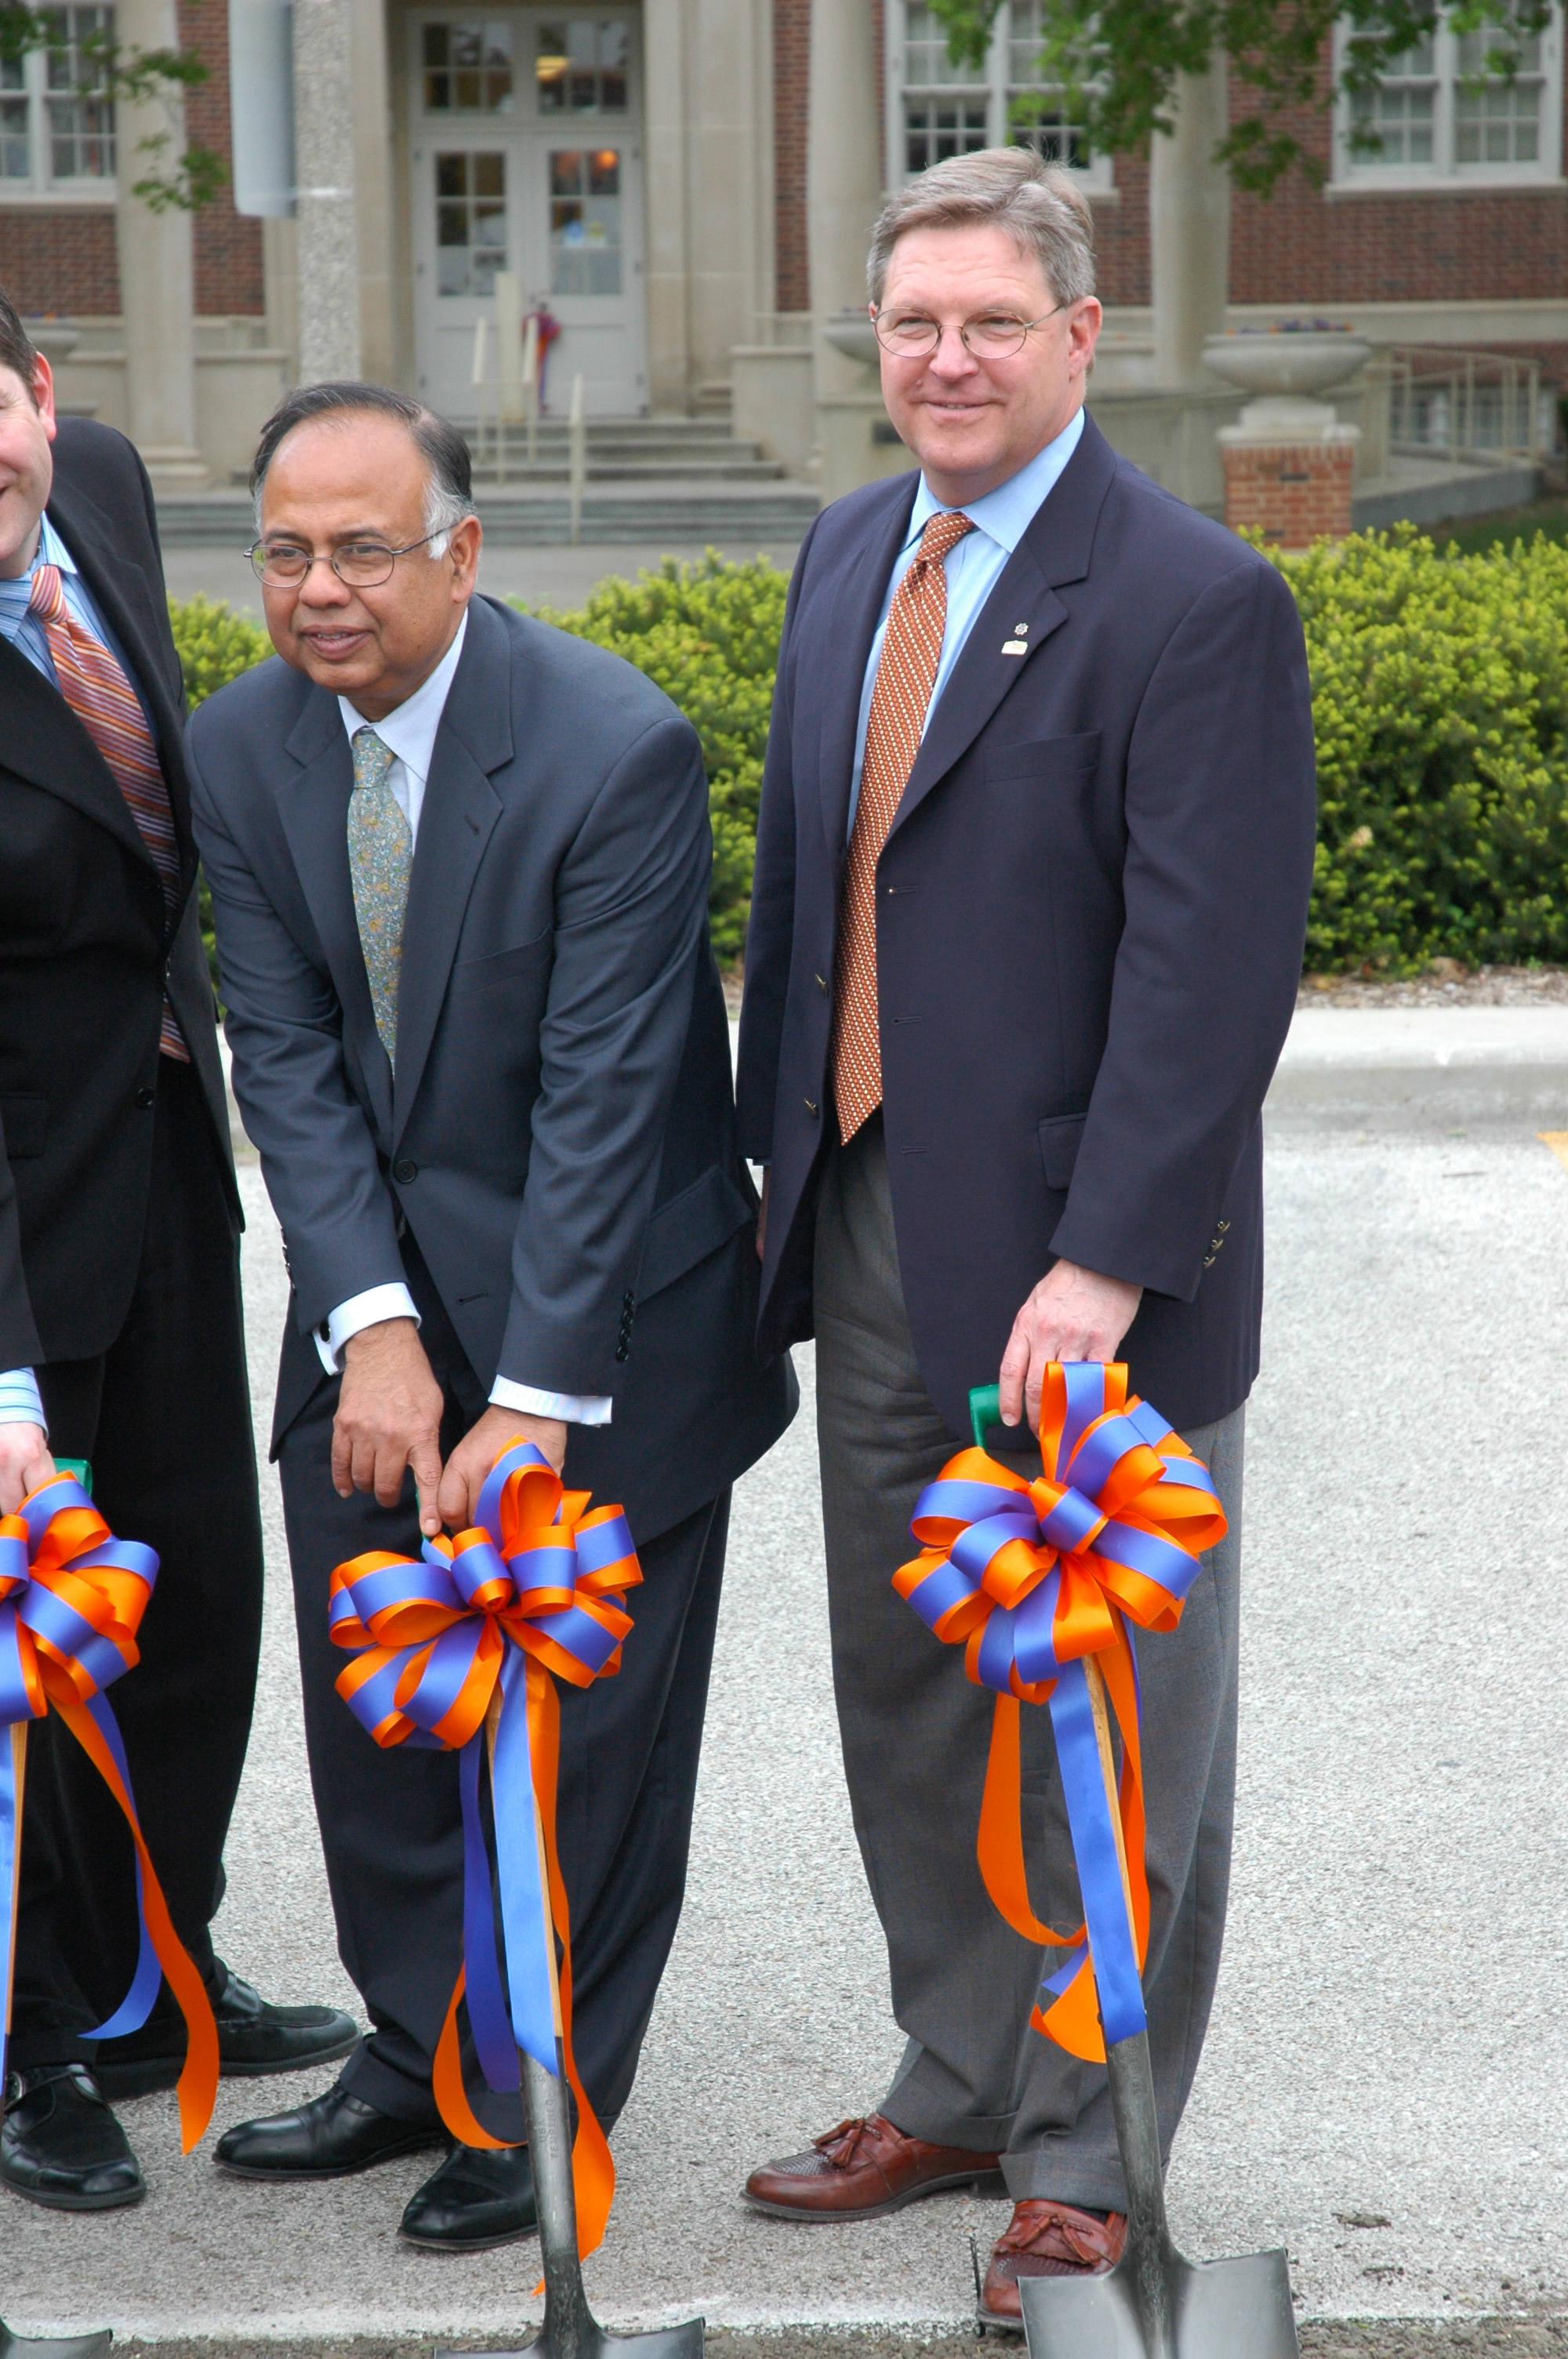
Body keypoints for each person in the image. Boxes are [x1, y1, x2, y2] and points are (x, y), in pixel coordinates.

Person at [734, 148, 1316, 2324]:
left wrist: (1108, 1263)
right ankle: (963, 2076)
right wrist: (771, 1176)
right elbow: (809, 896)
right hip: (869, 1207)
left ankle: (1088, 2155)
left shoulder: (1190, 599)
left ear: (1080, 337)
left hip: (1091, 1275)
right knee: (911, 1677)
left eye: (991, 321)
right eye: (913, 323)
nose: (947, 359)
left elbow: (1209, 973)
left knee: (1112, 1721)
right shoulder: (847, 550)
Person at [187, 381, 795, 2254]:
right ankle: (412, 2050)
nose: (319, 590)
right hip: (382, 1302)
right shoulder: (240, 742)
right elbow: (285, 1055)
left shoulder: (613, 747)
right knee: (377, 1705)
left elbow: (604, 1104)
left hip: (599, 1322)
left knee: (577, 1744)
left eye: (364, 550)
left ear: (461, 551)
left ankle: (536, 2093)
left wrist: (527, 1396)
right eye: (286, 551)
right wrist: (369, 1327)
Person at [0, 288, 358, 2215]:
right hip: (7, 1207)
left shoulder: (109, 491)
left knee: (194, 1590)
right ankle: (29, 2035)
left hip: (153, 1154)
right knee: (21, 1638)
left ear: (42, 397)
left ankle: (154, 1966)